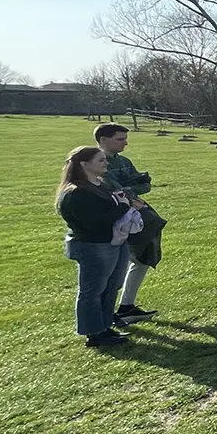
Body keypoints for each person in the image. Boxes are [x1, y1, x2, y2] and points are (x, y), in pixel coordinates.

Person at [56, 146, 143, 348]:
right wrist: (123, 207)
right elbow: (94, 222)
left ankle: (105, 325)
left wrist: (127, 204)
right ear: (84, 164)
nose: (106, 163)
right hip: (93, 246)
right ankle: (94, 333)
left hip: (113, 242)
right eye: (100, 161)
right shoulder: (77, 192)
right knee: (92, 290)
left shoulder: (99, 184)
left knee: (111, 286)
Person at [94, 123, 162, 326]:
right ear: (103, 140)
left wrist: (128, 187)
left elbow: (145, 185)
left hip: (132, 217)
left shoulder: (124, 161)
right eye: (120, 139)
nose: (125, 143)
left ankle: (126, 307)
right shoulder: (95, 161)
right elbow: (111, 187)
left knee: (142, 259)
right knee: (113, 269)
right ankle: (102, 319)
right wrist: (128, 188)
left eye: (125, 138)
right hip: (111, 219)